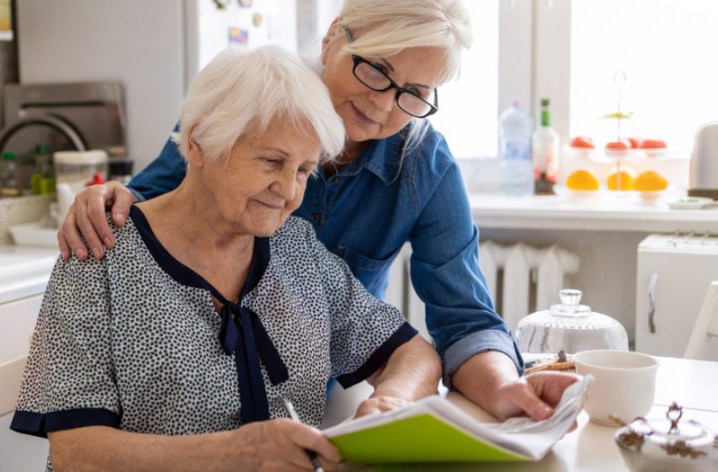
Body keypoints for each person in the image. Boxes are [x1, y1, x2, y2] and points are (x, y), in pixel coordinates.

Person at [57, 0, 578, 422]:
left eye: (414, 94)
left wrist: (508, 388)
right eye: (377, 69)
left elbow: (464, 319)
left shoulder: (423, 165)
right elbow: (148, 207)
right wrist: (107, 196)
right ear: (334, 38)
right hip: (193, 397)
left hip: (316, 397)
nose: (384, 105)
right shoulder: (250, 103)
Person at [11, 46, 441, 470]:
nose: (289, 191)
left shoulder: (297, 247)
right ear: (198, 143)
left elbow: (414, 354)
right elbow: (76, 454)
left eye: (304, 170)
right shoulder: (99, 253)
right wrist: (235, 455)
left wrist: (392, 402)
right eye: (272, 161)